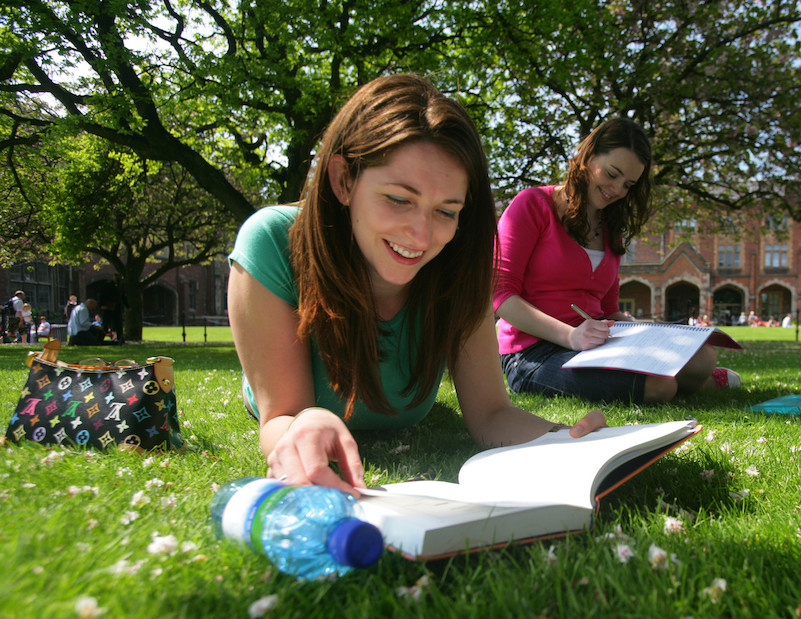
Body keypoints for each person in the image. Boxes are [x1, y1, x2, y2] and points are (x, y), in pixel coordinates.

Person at [227, 75, 605, 495]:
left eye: (446, 210)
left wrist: (568, 440)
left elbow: (491, 415)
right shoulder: (272, 242)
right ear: (343, 180)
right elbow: (280, 415)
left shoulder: (460, 264)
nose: (422, 237)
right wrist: (301, 424)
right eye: (399, 199)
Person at [494, 118, 739, 403]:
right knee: (660, 387)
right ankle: (697, 385)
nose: (617, 190)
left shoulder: (611, 229)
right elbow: (501, 295)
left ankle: (696, 377)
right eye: (612, 174)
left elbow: (609, 310)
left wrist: (657, 334)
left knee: (702, 355)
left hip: (595, 343)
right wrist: (571, 336)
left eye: (628, 184)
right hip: (533, 352)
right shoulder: (532, 204)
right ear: (588, 156)